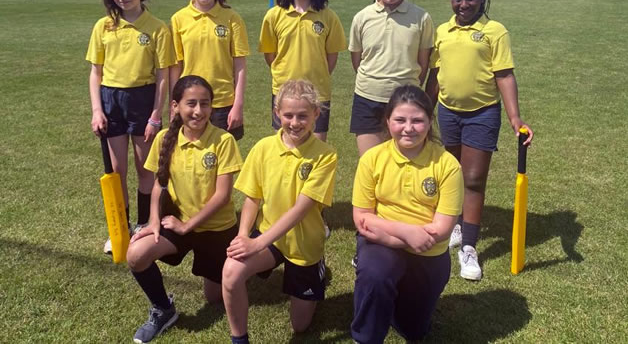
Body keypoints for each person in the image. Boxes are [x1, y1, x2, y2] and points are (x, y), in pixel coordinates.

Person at [425, 0, 534, 281]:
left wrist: (515, 118)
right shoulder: (442, 30)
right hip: (448, 112)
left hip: (482, 114)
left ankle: (469, 248)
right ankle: (457, 224)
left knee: (473, 180)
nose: (463, 3)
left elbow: (504, 75)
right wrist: (424, 110)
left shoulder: (494, 31)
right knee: (452, 174)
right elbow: (435, 75)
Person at [126, 75, 243, 343]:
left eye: (205, 103)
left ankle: (227, 269)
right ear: (176, 106)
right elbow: (158, 186)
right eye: (191, 103)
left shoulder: (223, 141)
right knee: (136, 255)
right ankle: (163, 309)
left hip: (216, 229)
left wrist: (187, 226)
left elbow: (223, 196)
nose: (199, 111)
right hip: (178, 223)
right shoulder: (165, 139)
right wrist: (154, 221)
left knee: (214, 299)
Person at [222, 80, 338, 344]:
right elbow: (253, 196)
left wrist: (256, 243)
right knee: (231, 270)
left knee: (300, 327)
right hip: (269, 237)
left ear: (316, 115)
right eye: (288, 115)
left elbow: (300, 210)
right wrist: (243, 236)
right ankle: (239, 340)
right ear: (277, 113)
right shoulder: (264, 147)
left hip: (304, 245)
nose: (294, 122)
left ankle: (316, 270)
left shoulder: (325, 155)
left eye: (303, 116)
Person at [351, 85, 463, 343]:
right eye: (400, 120)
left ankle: (394, 305)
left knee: (413, 329)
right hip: (383, 244)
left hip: (428, 252)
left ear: (430, 121)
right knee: (375, 274)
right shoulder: (372, 159)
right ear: (387, 121)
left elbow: (442, 229)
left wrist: (396, 234)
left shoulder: (447, 165)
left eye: (417, 120)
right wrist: (405, 233)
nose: (408, 128)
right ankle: (365, 336)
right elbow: (361, 219)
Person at [86, 0, 175, 254]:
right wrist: (97, 110)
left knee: (144, 167)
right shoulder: (103, 26)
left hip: (143, 99)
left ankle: (142, 224)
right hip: (111, 100)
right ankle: (119, 228)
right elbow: (95, 73)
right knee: (117, 169)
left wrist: (155, 115)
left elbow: (163, 76)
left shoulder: (158, 28)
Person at [348, 0, 435, 157]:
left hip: (406, 103)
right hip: (367, 98)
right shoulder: (362, 17)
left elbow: (423, 64)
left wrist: (407, 88)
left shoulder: (421, 18)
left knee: (405, 167)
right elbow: (357, 61)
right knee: (370, 167)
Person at [259, 0, 346, 143]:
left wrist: (315, 77)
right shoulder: (274, 16)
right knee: (285, 150)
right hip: (283, 93)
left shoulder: (328, 16)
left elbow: (331, 59)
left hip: (318, 94)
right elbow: (270, 56)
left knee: (315, 154)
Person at [170, 0, 249, 140]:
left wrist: (237, 105)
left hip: (222, 102)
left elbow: (240, 66)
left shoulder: (232, 18)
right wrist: (174, 105)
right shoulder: (178, 19)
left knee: (223, 162)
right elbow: (176, 67)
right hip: (189, 102)